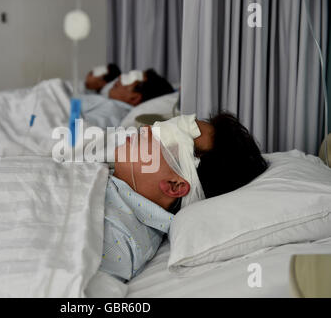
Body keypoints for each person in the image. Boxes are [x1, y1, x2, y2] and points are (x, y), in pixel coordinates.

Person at [100, 113, 268, 281]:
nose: (145, 129)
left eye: (162, 137)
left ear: (175, 186)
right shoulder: (104, 175)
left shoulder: (118, 239)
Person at [80, 68, 175, 128]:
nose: (121, 77)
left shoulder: (113, 110)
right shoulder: (106, 101)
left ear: (134, 98)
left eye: (130, 78)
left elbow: (79, 129)